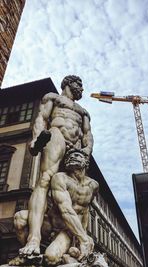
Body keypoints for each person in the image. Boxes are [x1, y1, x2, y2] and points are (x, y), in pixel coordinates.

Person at [19, 75, 94, 258]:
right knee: (45, 180)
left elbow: (87, 135)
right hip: (56, 136)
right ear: (68, 83)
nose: (81, 88)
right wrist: (36, 139)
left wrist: (87, 151)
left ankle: (72, 243)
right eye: (79, 84)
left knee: (74, 191)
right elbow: (41, 119)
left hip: (76, 148)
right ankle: (34, 238)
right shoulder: (53, 98)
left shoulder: (83, 112)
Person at [10, 149, 99, 266]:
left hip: (68, 229)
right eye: (69, 156)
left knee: (51, 258)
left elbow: (85, 210)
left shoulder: (93, 185)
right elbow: (65, 209)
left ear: (86, 163)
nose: (72, 157)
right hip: (51, 223)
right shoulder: (60, 178)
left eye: (77, 155)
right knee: (20, 217)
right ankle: (29, 255)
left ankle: (67, 257)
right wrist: (84, 239)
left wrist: (81, 236)